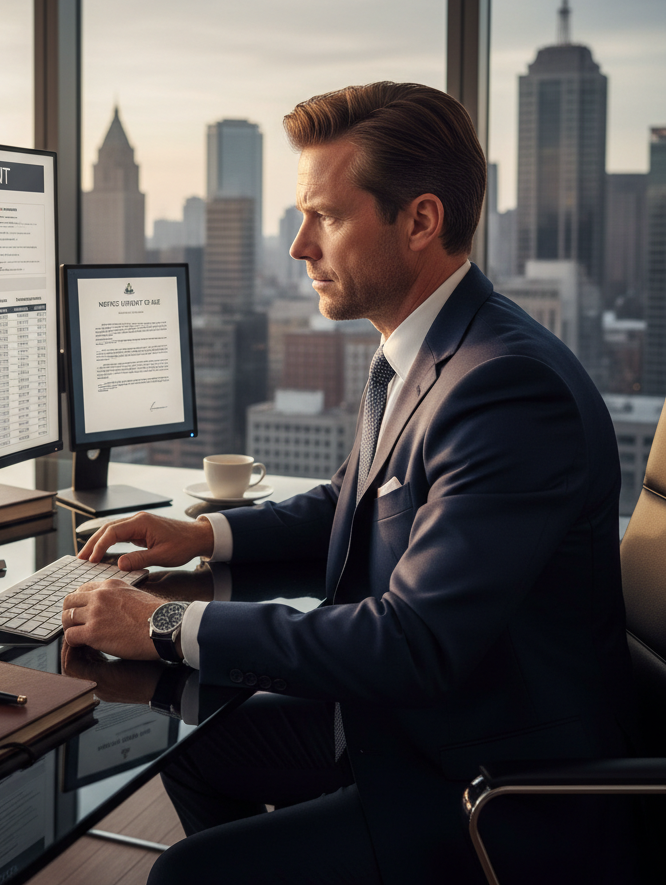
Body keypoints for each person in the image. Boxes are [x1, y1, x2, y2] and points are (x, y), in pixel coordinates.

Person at [60, 82, 637, 883]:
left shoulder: (506, 388)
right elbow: (353, 500)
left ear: (422, 220)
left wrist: (164, 628)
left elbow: (412, 643)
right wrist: (206, 535)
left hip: (484, 780)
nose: (300, 246)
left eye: (324, 217)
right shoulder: (429, 347)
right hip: (409, 724)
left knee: (185, 876)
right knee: (189, 748)